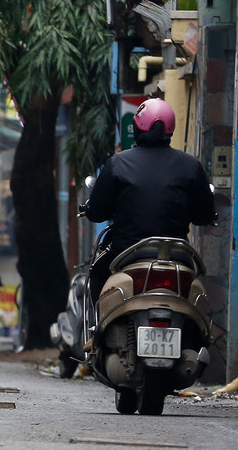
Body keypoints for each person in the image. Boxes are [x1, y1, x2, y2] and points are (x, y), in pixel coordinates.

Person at [84, 97, 215, 303]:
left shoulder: (118, 163)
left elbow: (97, 212)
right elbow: (205, 215)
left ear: (137, 128)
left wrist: (91, 209)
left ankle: (96, 331)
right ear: (169, 130)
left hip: (126, 254)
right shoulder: (191, 166)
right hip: (177, 256)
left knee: (97, 274)